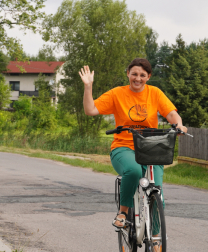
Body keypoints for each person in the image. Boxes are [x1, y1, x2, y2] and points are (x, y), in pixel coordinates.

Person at [79, 58, 187, 228]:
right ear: (128, 73)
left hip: (152, 148)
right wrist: (88, 86)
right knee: (134, 170)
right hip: (124, 147)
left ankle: (157, 241)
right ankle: (123, 212)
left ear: (148, 76)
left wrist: (179, 125)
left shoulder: (155, 93)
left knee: (157, 191)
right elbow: (90, 109)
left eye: (142, 75)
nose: (138, 78)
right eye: (134, 74)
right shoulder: (117, 94)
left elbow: (171, 114)